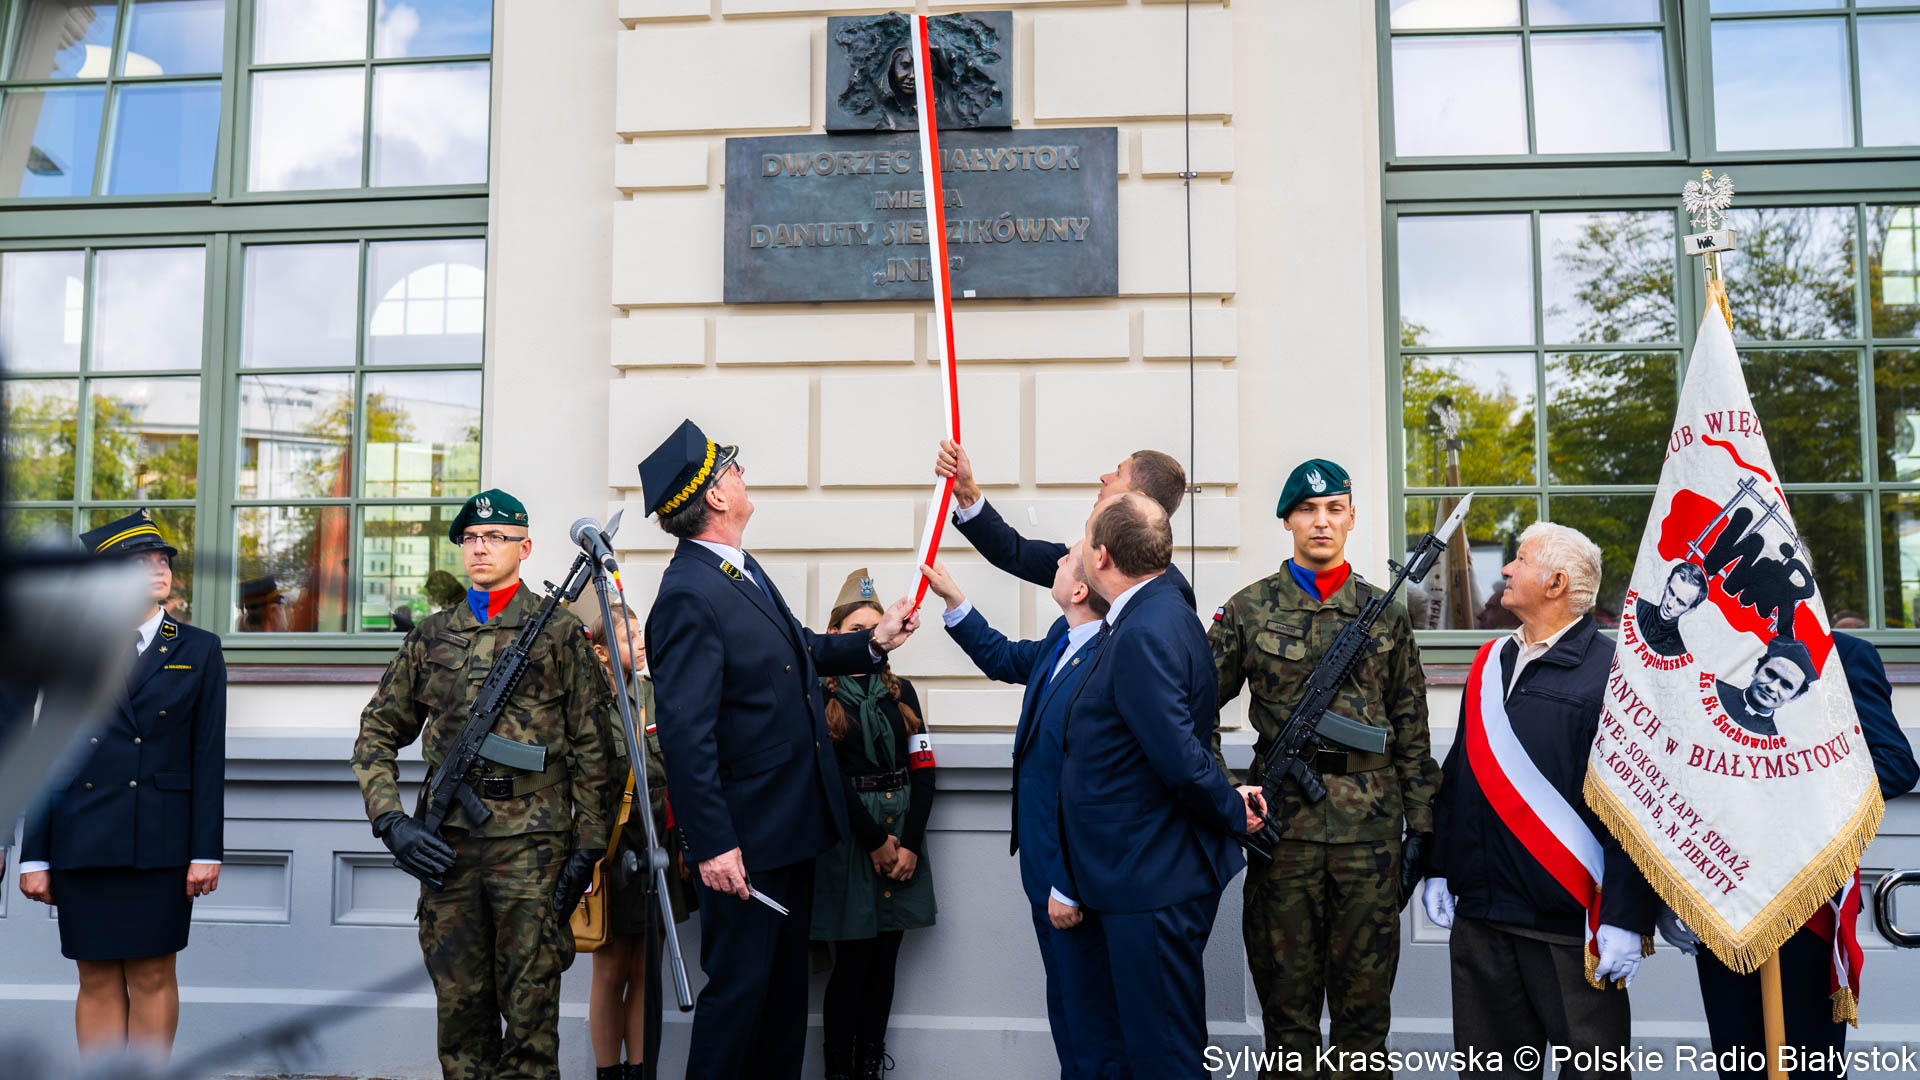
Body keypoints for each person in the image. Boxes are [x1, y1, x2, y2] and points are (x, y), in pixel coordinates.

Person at [639, 419, 920, 1080]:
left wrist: (873, 642)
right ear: (713, 496)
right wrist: (711, 844)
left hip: (789, 826)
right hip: (745, 838)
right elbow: (685, 734)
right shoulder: (687, 596)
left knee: (783, 1001)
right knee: (740, 1000)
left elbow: (802, 648)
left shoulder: (738, 571)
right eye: (730, 466)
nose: (741, 473)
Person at [349, 488, 615, 1080]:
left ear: (524, 547)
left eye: (494, 537)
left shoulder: (561, 634)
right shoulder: (430, 637)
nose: (480, 548)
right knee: (462, 1020)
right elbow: (375, 736)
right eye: (470, 538)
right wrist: (392, 822)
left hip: (533, 850)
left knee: (530, 1023)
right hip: (448, 851)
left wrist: (588, 850)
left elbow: (598, 749)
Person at [1207, 458, 1440, 1079]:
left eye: (1334, 508)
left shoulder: (1383, 611)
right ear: (1287, 520)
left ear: (1352, 518)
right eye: (1307, 510)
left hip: (1370, 842)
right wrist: (1230, 793)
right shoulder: (1249, 610)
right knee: (1289, 1027)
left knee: (1365, 1026)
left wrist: (1422, 826)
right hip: (1284, 841)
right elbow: (1188, 712)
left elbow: (1411, 723)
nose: (1321, 521)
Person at [1423, 522, 1657, 1080]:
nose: (1505, 569)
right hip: (1482, 916)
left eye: (1519, 560)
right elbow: (1461, 773)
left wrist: (1626, 916)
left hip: (1569, 927)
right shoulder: (1490, 663)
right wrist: (1439, 867)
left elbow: (1637, 805)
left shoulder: (1614, 675)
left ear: (1555, 583)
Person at [1062, 492, 1263, 1076]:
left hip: (1148, 877)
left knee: (1164, 1055)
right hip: (1139, 871)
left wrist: (1232, 808)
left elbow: (1177, 756)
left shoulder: (1146, 627)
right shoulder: (1163, 607)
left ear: (1101, 557)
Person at [17, 509, 226, 1060]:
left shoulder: (199, 648)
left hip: (162, 839)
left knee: (154, 975)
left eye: (163, 560)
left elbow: (207, 756)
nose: (158, 569)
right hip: (82, 837)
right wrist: (32, 856)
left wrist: (206, 850)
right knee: (97, 976)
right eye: (140, 562)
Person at [1666, 631, 1919, 1079]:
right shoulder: (1713, 651)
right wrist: (1669, 891)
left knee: (1807, 1063)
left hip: (1805, 901)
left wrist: (1790, 788)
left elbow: (1896, 765)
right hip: (1720, 889)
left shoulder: (1846, 655)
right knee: (1738, 1058)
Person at [921, 548, 1124, 1080]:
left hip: (1069, 876)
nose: (1057, 562)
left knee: (1091, 1015)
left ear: (1081, 590)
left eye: (1067, 561)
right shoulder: (1064, 638)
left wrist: (1070, 882)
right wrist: (955, 601)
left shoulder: (1107, 655)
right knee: (1066, 1006)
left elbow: (1091, 785)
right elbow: (1005, 658)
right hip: (1041, 865)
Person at [810, 569, 938, 1080]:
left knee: (885, 964)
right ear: (835, 635)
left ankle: (869, 1065)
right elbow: (829, 776)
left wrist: (908, 843)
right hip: (852, 839)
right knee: (854, 964)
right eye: (857, 627)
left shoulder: (900, 691)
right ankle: (840, 1070)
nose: (869, 635)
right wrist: (874, 841)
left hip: (901, 832)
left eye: (875, 626)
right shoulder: (819, 694)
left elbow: (923, 767)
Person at [580, 598, 693, 1080]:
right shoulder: (586, 701)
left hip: (658, 845)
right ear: (602, 652)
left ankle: (639, 1069)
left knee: (647, 968)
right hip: (610, 848)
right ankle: (609, 1073)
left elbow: (679, 765)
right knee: (611, 969)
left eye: (640, 632)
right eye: (628, 636)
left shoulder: (654, 694)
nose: (641, 642)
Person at [934, 440, 1197, 609]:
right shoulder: (1083, 558)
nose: (1104, 477)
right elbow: (1016, 554)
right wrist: (967, 492)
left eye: (1117, 473)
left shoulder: (1172, 596)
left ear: (1137, 500)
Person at [1712, 635, 1817, 737]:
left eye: (1786, 685)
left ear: (1794, 697)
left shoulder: (1773, 744)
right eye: (1770, 674)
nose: (1772, 687)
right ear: (1756, 670)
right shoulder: (1713, 691)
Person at [1634, 562, 1707, 658]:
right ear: (1666, 584)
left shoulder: (1678, 650)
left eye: (1680, 602)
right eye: (1671, 592)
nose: (1670, 604)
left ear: (1690, 610)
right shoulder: (1635, 607)